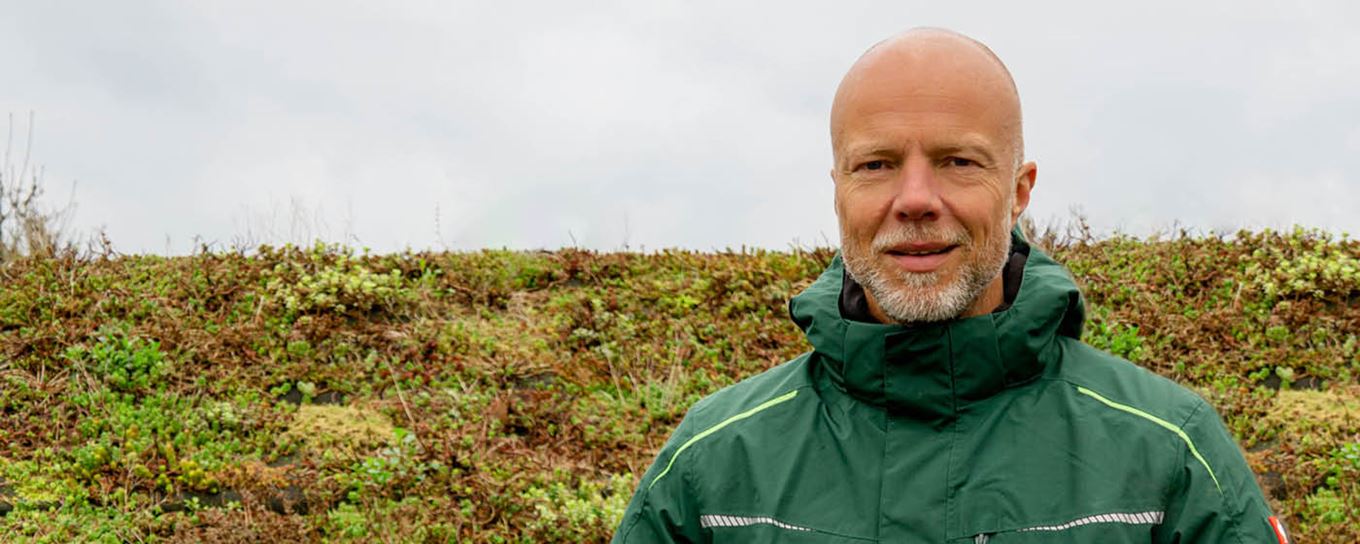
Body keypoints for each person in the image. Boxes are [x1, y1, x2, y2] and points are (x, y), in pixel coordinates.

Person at [612, 28, 1285, 543]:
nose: (915, 199)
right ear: (839, 190)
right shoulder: (713, 462)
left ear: (1019, 191)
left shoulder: (1168, 450)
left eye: (958, 161)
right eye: (876, 165)